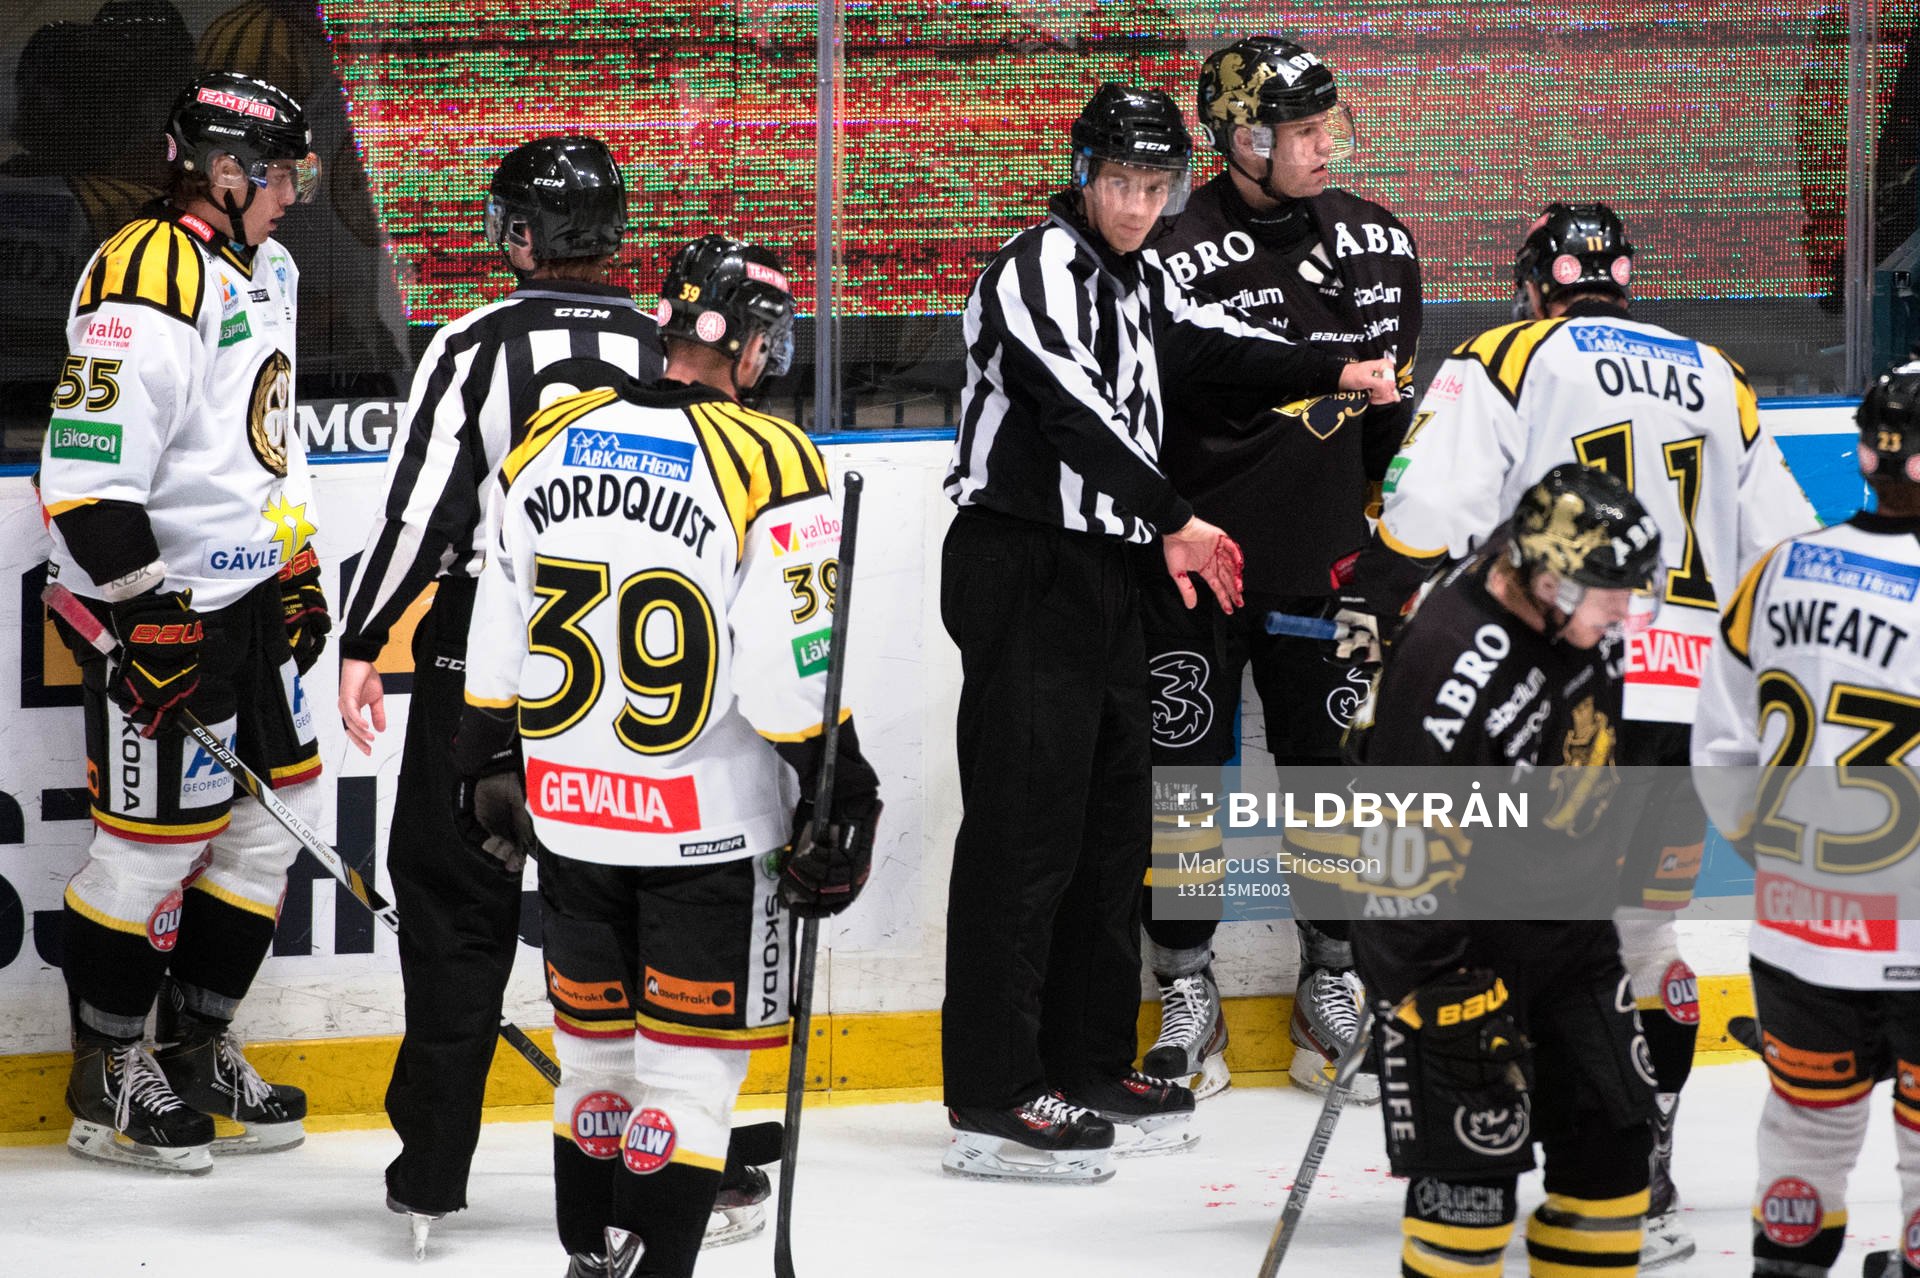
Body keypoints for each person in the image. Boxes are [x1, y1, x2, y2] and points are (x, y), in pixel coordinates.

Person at [938, 79, 1397, 1183]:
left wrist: (1334, 368)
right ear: (1083, 171)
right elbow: (1069, 410)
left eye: (1158, 186)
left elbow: (1216, 348)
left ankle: (1091, 1060)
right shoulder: (1034, 266)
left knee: (1110, 829)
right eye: (1123, 183)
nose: (1141, 207)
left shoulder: (1135, 275)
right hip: (1025, 561)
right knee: (1025, 830)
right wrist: (1180, 518)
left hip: (1110, 569)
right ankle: (997, 1088)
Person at [1347, 201, 1818, 1264]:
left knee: (1524, 924)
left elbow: (1422, 518)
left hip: (1561, 689)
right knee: (1643, 936)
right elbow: (1780, 548)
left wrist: (1385, 604)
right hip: (1688, 692)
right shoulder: (1717, 372)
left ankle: (1491, 1151)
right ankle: (1637, 1171)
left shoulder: (1508, 350)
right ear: (1626, 280)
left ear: (1532, 283)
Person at [454, 233, 881, 1278]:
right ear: (741, 341)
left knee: (593, 1065)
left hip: (574, 816)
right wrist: (846, 783)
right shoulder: (770, 457)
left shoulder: (551, 436)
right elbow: (791, 671)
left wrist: (485, 759)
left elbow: (497, 618)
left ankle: (590, 1263)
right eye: (769, 338)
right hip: (707, 828)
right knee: (688, 1081)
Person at [333, 135, 667, 1240]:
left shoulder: (474, 342)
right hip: (633, 670)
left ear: (518, 234)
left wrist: (362, 635)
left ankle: (431, 1169)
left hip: (486, 665)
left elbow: (422, 515)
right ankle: (662, 1161)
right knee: (623, 922)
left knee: (453, 907)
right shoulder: (664, 345)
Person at [37, 70, 322, 1173]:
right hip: (157, 607)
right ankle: (106, 1081)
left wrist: (293, 556)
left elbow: (267, 442)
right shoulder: (145, 271)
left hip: (248, 604)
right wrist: (144, 608)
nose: (293, 192)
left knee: (265, 833)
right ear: (222, 171)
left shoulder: (271, 263)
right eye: (281, 172)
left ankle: (196, 1051)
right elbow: (88, 478)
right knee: (148, 856)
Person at [1138, 34, 1424, 1104]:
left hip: (1324, 568)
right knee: (1186, 785)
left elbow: (1390, 419)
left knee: (1328, 775)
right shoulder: (1169, 240)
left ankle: (1332, 982)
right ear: (1241, 137)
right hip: (1193, 566)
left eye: (1324, 125)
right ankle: (1184, 988)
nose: (1321, 145)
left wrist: (1350, 534)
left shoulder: (1380, 241)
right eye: (1299, 130)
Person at [1348, 463, 1664, 1278]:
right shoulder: (1450, 666)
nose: (1625, 609)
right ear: (1548, 584)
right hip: (1455, 956)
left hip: (1574, 935)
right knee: (1470, 1198)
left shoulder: (1565, 598)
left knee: (1617, 1157)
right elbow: (1391, 857)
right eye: (1608, 593)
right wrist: (1432, 990)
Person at [1692, 361, 1920, 1278]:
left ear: (1865, 453)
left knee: (1804, 1137)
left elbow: (1719, 753)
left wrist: (1784, 862)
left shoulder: (1779, 569)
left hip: (1799, 932)